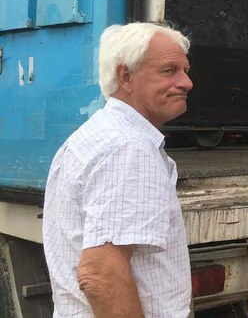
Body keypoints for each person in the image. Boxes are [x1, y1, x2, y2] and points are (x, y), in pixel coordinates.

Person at [43, 23, 194, 317]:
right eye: (169, 70)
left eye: (186, 70)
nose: (186, 82)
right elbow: (100, 273)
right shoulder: (128, 147)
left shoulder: (101, 134)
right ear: (126, 77)